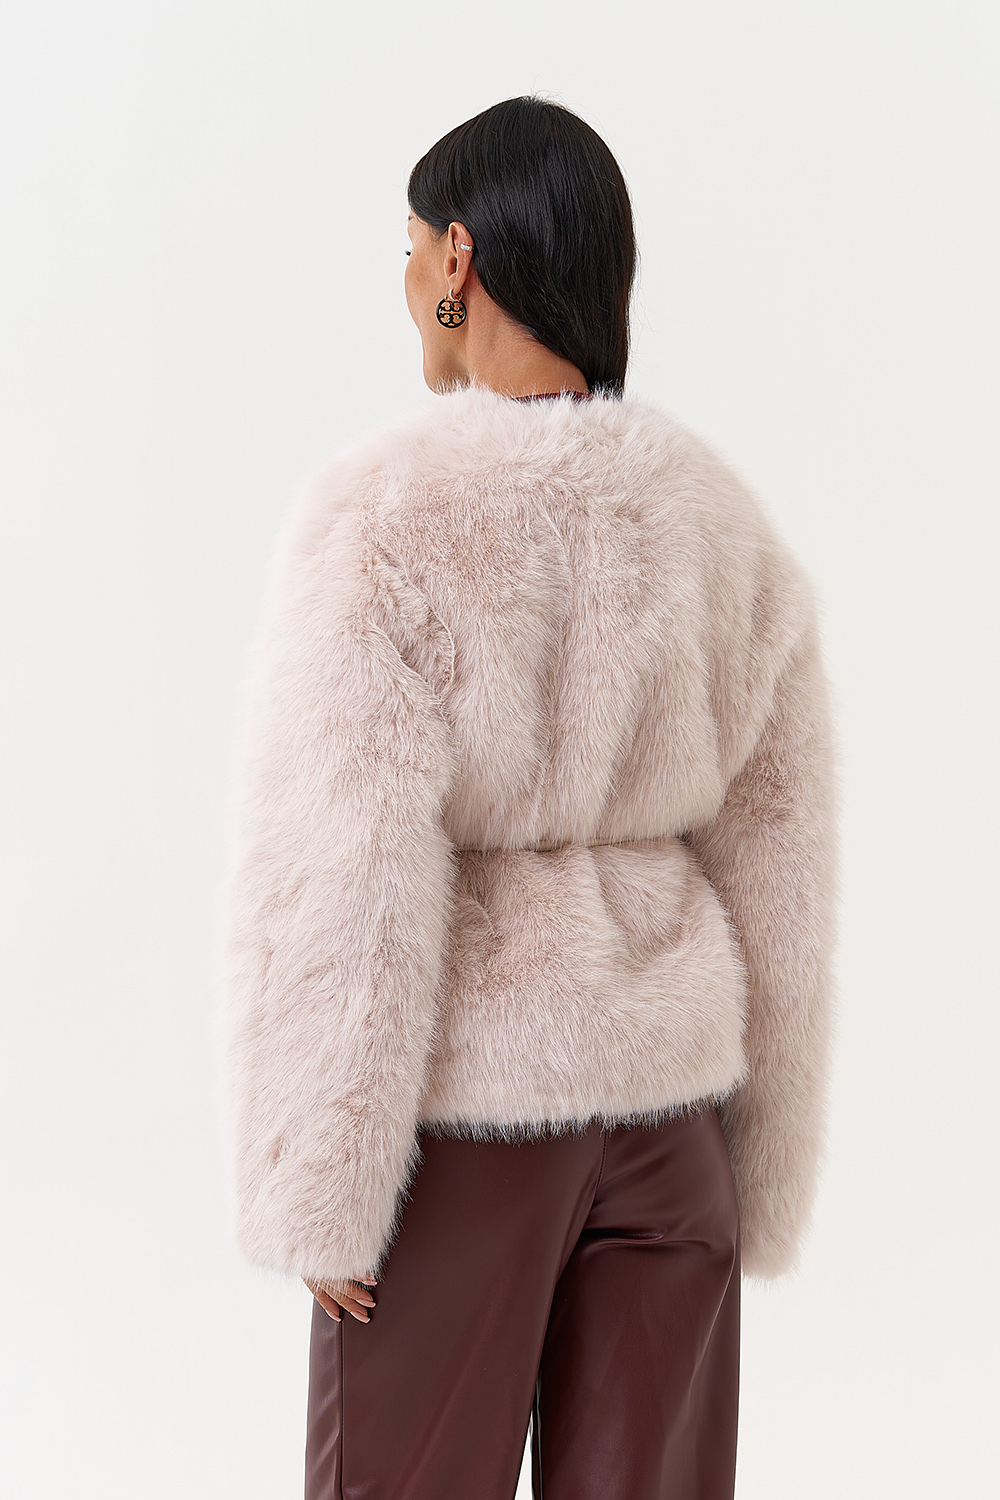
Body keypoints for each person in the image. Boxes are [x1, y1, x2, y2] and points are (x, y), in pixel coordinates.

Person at [216, 95, 839, 1500]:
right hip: (673, 1123)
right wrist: (763, 1170)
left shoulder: (383, 518)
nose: (404, 280)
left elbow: (341, 859)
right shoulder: (719, 525)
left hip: (470, 1126)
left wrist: (322, 1179)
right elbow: (781, 859)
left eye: (408, 249)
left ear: (458, 257)